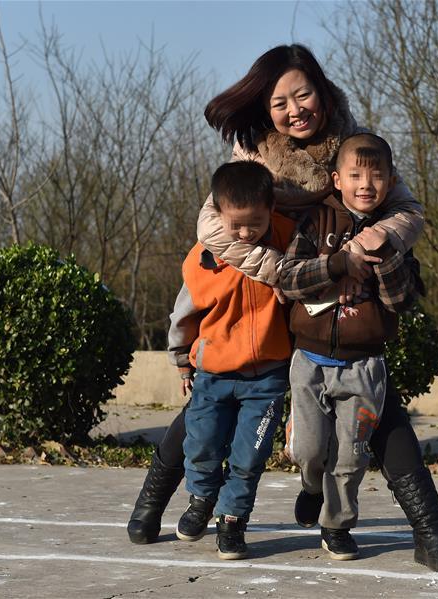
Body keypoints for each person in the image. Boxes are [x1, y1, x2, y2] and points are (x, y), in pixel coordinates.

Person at [126, 44, 438, 576]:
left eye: (301, 94)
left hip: (344, 305)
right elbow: (212, 228)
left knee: (383, 413)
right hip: (267, 295)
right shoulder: (254, 156)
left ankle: (432, 534)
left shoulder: (355, 151)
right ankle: (150, 507)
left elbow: (408, 210)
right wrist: (284, 269)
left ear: (322, 92)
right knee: (210, 406)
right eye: (279, 102)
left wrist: (371, 243)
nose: (294, 109)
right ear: (266, 111)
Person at [279, 132, 424, 560]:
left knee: (352, 456)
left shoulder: (394, 235)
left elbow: (402, 301)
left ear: (391, 180)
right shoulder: (316, 222)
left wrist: (384, 257)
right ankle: (309, 486)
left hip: (363, 368)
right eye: (355, 175)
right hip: (309, 362)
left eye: (376, 176)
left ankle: (336, 524)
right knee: (308, 450)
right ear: (336, 179)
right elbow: (288, 279)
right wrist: (339, 264)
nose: (365, 184)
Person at [165, 161, 294, 560]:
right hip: (214, 374)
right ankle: (201, 500)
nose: (244, 233)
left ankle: (233, 520)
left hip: (268, 378)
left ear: (271, 208)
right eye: (235, 223)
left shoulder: (290, 244)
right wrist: (182, 358)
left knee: (248, 456)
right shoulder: (204, 257)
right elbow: (184, 312)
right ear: (217, 214)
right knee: (201, 445)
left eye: (254, 222)